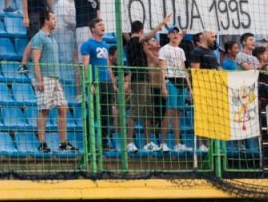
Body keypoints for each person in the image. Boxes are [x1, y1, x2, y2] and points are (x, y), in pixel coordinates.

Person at [32, 10, 78, 153]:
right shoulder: (39, 37)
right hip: (45, 77)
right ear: (46, 20)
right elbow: (35, 60)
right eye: (53, 18)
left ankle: (63, 143)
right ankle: (42, 143)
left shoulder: (51, 37)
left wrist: (58, 79)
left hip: (55, 78)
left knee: (63, 108)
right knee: (44, 110)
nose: (55, 21)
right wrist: (39, 79)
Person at [125, 17, 171, 153]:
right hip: (139, 80)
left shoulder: (137, 44)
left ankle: (148, 142)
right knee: (135, 111)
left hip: (145, 80)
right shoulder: (134, 41)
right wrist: (161, 24)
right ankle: (129, 143)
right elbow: (147, 37)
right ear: (141, 31)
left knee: (147, 112)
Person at [80, 19, 116, 151]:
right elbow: (85, 65)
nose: (103, 26)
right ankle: (89, 143)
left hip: (106, 83)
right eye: (99, 25)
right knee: (93, 112)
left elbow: (108, 65)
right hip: (95, 82)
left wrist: (113, 83)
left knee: (106, 114)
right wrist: (89, 83)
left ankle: (104, 142)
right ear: (92, 29)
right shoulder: (87, 44)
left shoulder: (105, 44)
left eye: (103, 24)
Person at [19, 0, 54, 73]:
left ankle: (37, 65)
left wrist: (51, 11)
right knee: (35, 39)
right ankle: (25, 65)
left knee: (42, 39)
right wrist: (26, 17)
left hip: (44, 13)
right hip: (33, 12)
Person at [159, 26, 192, 152]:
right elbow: (162, 69)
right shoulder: (164, 49)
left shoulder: (181, 50)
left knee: (178, 113)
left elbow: (183, 69)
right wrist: (163, 86)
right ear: (168, 35)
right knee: (169, 111)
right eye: (172, 32)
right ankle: (163, 143)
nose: (175, 34)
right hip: (170, 80)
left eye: (177, 33)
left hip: (181, 81)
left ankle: (177, 143)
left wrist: (189, 87)